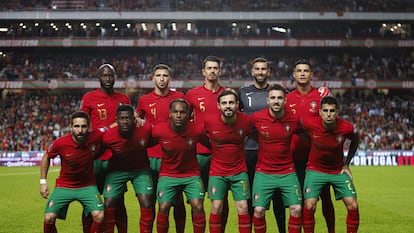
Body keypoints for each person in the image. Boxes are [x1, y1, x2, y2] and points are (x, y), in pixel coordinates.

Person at [80, 63, 131, 233]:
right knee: (90, 201)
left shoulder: (123, 99)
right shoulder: (89, 98)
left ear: (115, 77)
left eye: (111, 75)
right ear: (99, 78)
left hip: (116, 158)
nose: (108, 79)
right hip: (94, 158)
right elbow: (83, 125)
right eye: (105, 75)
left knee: (117, 201)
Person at [286, 59, 335, 232]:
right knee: (299, 202)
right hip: (295, 158)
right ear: (294, 75)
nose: (302, 74)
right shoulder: (287, 99)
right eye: (299, 71)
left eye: (306, 71)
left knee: (325, 198)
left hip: (318, 158)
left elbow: (330, 123)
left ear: (311, 74)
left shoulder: (320, 97)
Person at [136, 63, 186, 233]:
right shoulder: (144, 100)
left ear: (169, 78)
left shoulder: (179, 96)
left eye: (165, 76)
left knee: (177, 200)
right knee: (150, 201)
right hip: (150, 157)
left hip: (174, 157)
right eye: (158, 76)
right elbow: (136, 119)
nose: (162, 79)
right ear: (152, 78)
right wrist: (139, 120)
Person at [238, 57, 286, 232]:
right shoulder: (242, 93)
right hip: (249, 150)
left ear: (268, 72)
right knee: (251, 195)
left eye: (263, 69)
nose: (260, 72)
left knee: (278, 197)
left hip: (273, 152)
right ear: (252, 72)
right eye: (257, 69)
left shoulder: (277, 93)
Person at [301, 96, 360, 233]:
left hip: (338, 171)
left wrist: (347, 164)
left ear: (337, 112)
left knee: (353, 205)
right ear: (320, 112)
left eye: (332, 111)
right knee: (309, 206)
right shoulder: (309, 124)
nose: (328, 114)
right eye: (325, 111)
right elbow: (297, 130)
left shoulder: (346, 128)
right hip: (315, 170)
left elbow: (355, 141)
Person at [39, 111, 104, 233]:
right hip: (64, 186)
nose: (80, 130)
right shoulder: (61, 143)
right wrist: (43, 182)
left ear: (89, 127)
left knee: (99, 215)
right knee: (49, 218)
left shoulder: (95, 137)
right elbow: (46, 157)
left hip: (88, 186)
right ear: (71, 127)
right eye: (76, 126)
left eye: (84, 126)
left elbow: (111, 128)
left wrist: (136, 118)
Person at [250, 84, 303, 233]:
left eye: (280, 98)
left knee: (297, 208)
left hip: (287, 172)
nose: (276, 101)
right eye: (273, 98)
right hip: (263, 172)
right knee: (259, 210)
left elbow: (307, 136)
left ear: (285, 100)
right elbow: (247, 131)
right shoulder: (257, 118)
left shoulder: (293, 119)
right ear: (267, 100)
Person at [184, 55, 228, 232]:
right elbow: (183, 121)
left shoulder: (227, 94)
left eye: (215, 68)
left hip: (221, 154)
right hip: (199, 153)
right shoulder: (192, 94)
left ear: (219, 71)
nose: (212, 71)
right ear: (203, 71)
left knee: (221, 200)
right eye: (209, 68)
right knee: (198, 200)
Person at [152, 98, 209, 233]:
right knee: (164, 207)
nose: (178, 115)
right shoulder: (159, 131)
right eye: (175, 112)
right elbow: (144, 142)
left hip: (191, 175)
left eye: (182, 112)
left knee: (198, 206)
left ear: (188, 114)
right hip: (168, 174)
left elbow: (211, 145)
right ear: (170, 113)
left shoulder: (196, 130)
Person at [204, 89, 253, 233]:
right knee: (217, 207)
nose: (228, 106)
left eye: (231, 102)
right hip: (217, 172)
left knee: (243, 207)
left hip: (239, 171)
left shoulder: (245, 121)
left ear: (237, 104)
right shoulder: (209, 121)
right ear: (218, 105)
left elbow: (257, 136)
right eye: (224, 103)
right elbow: (200, 136)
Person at [101, 104, 154, 233]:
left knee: (147, 202)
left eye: (128, 118)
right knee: (108, 204)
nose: (125, 121)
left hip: (140, 170)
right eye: (122, 118)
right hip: (117, 171)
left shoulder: (145, 129)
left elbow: (159, 138)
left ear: (134, 118)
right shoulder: (107, 137)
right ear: (116, 120)